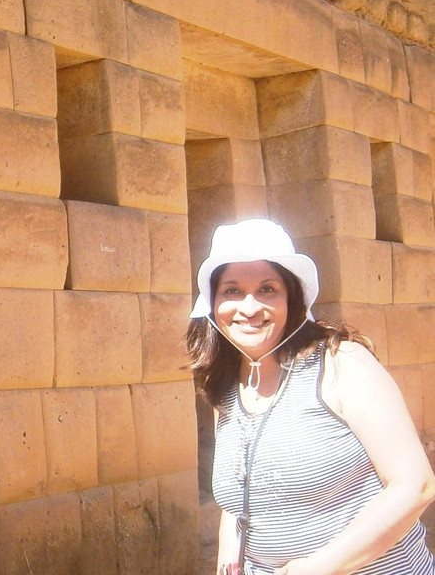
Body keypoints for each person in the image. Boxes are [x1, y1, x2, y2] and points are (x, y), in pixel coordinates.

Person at [186, 218, 435, 575]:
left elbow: (415, 485)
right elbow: (237, 503)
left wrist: (320, 567)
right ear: (213, 303)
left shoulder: (340, 364)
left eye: (268, 289)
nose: (250, 307)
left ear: (292, 299)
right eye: (233, 291)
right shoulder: (227, 387)